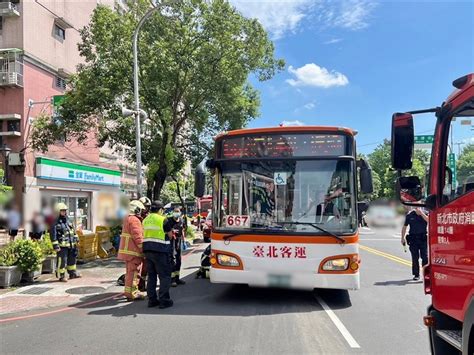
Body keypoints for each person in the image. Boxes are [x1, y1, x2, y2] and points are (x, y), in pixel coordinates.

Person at [142, 201, 174, 309]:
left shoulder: (145, 220)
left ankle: (152, 300)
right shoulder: (163, 219)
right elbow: (170, 235)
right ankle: (164, 301)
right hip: (160, 251)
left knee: (151, 276)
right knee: (164, 276)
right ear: (160, 209)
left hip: (148, 250)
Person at [117, 200, 146, 301]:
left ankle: (129, 292)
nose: (141, 212)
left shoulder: (127, 218)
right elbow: (138, 237)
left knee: (130, 273)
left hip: (128, 251)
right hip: (134, 251)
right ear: (137, 209)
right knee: (134, 273)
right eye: (141, 210)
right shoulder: (134, 220)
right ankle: (133, 293)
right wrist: (143, 250)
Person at [51, 203, 81, 282]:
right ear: (58, 211)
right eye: (62, 211)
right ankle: (61, 276)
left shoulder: (68, 220)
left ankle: (72, 273)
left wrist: (76, 239)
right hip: (62, 246)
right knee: (62, 261)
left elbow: (73, 231)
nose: (64, 212)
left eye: (65, 210)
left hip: (71, 244)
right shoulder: (55, 222)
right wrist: (56, 246)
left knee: (72, 260)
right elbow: (53, 234)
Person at [401, 207, 429, 281]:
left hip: (423, 239)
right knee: (415, 257)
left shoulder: (425, 214)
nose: (417, 208)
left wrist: (422, 213)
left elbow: (429, 221)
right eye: (416, 207)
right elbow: (404, 227)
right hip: (413, 239)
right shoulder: (410, 215)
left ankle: (426, 274)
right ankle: (416, 275)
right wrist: (402, 238)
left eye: (419, 207)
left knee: (425, 257)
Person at [167, 207, 186, 287]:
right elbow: (166, 231)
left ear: (180, 213)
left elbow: (182, 231)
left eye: (178, 211)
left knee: (179, 260)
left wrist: (184, 240)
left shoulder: (181, 220)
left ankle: (177, 278)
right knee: (172, 260)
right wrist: (172, 231)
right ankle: (172, 280)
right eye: (175, 211)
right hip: (171, 241)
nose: (176, 213)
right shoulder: (169, 220)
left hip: (178, 241)